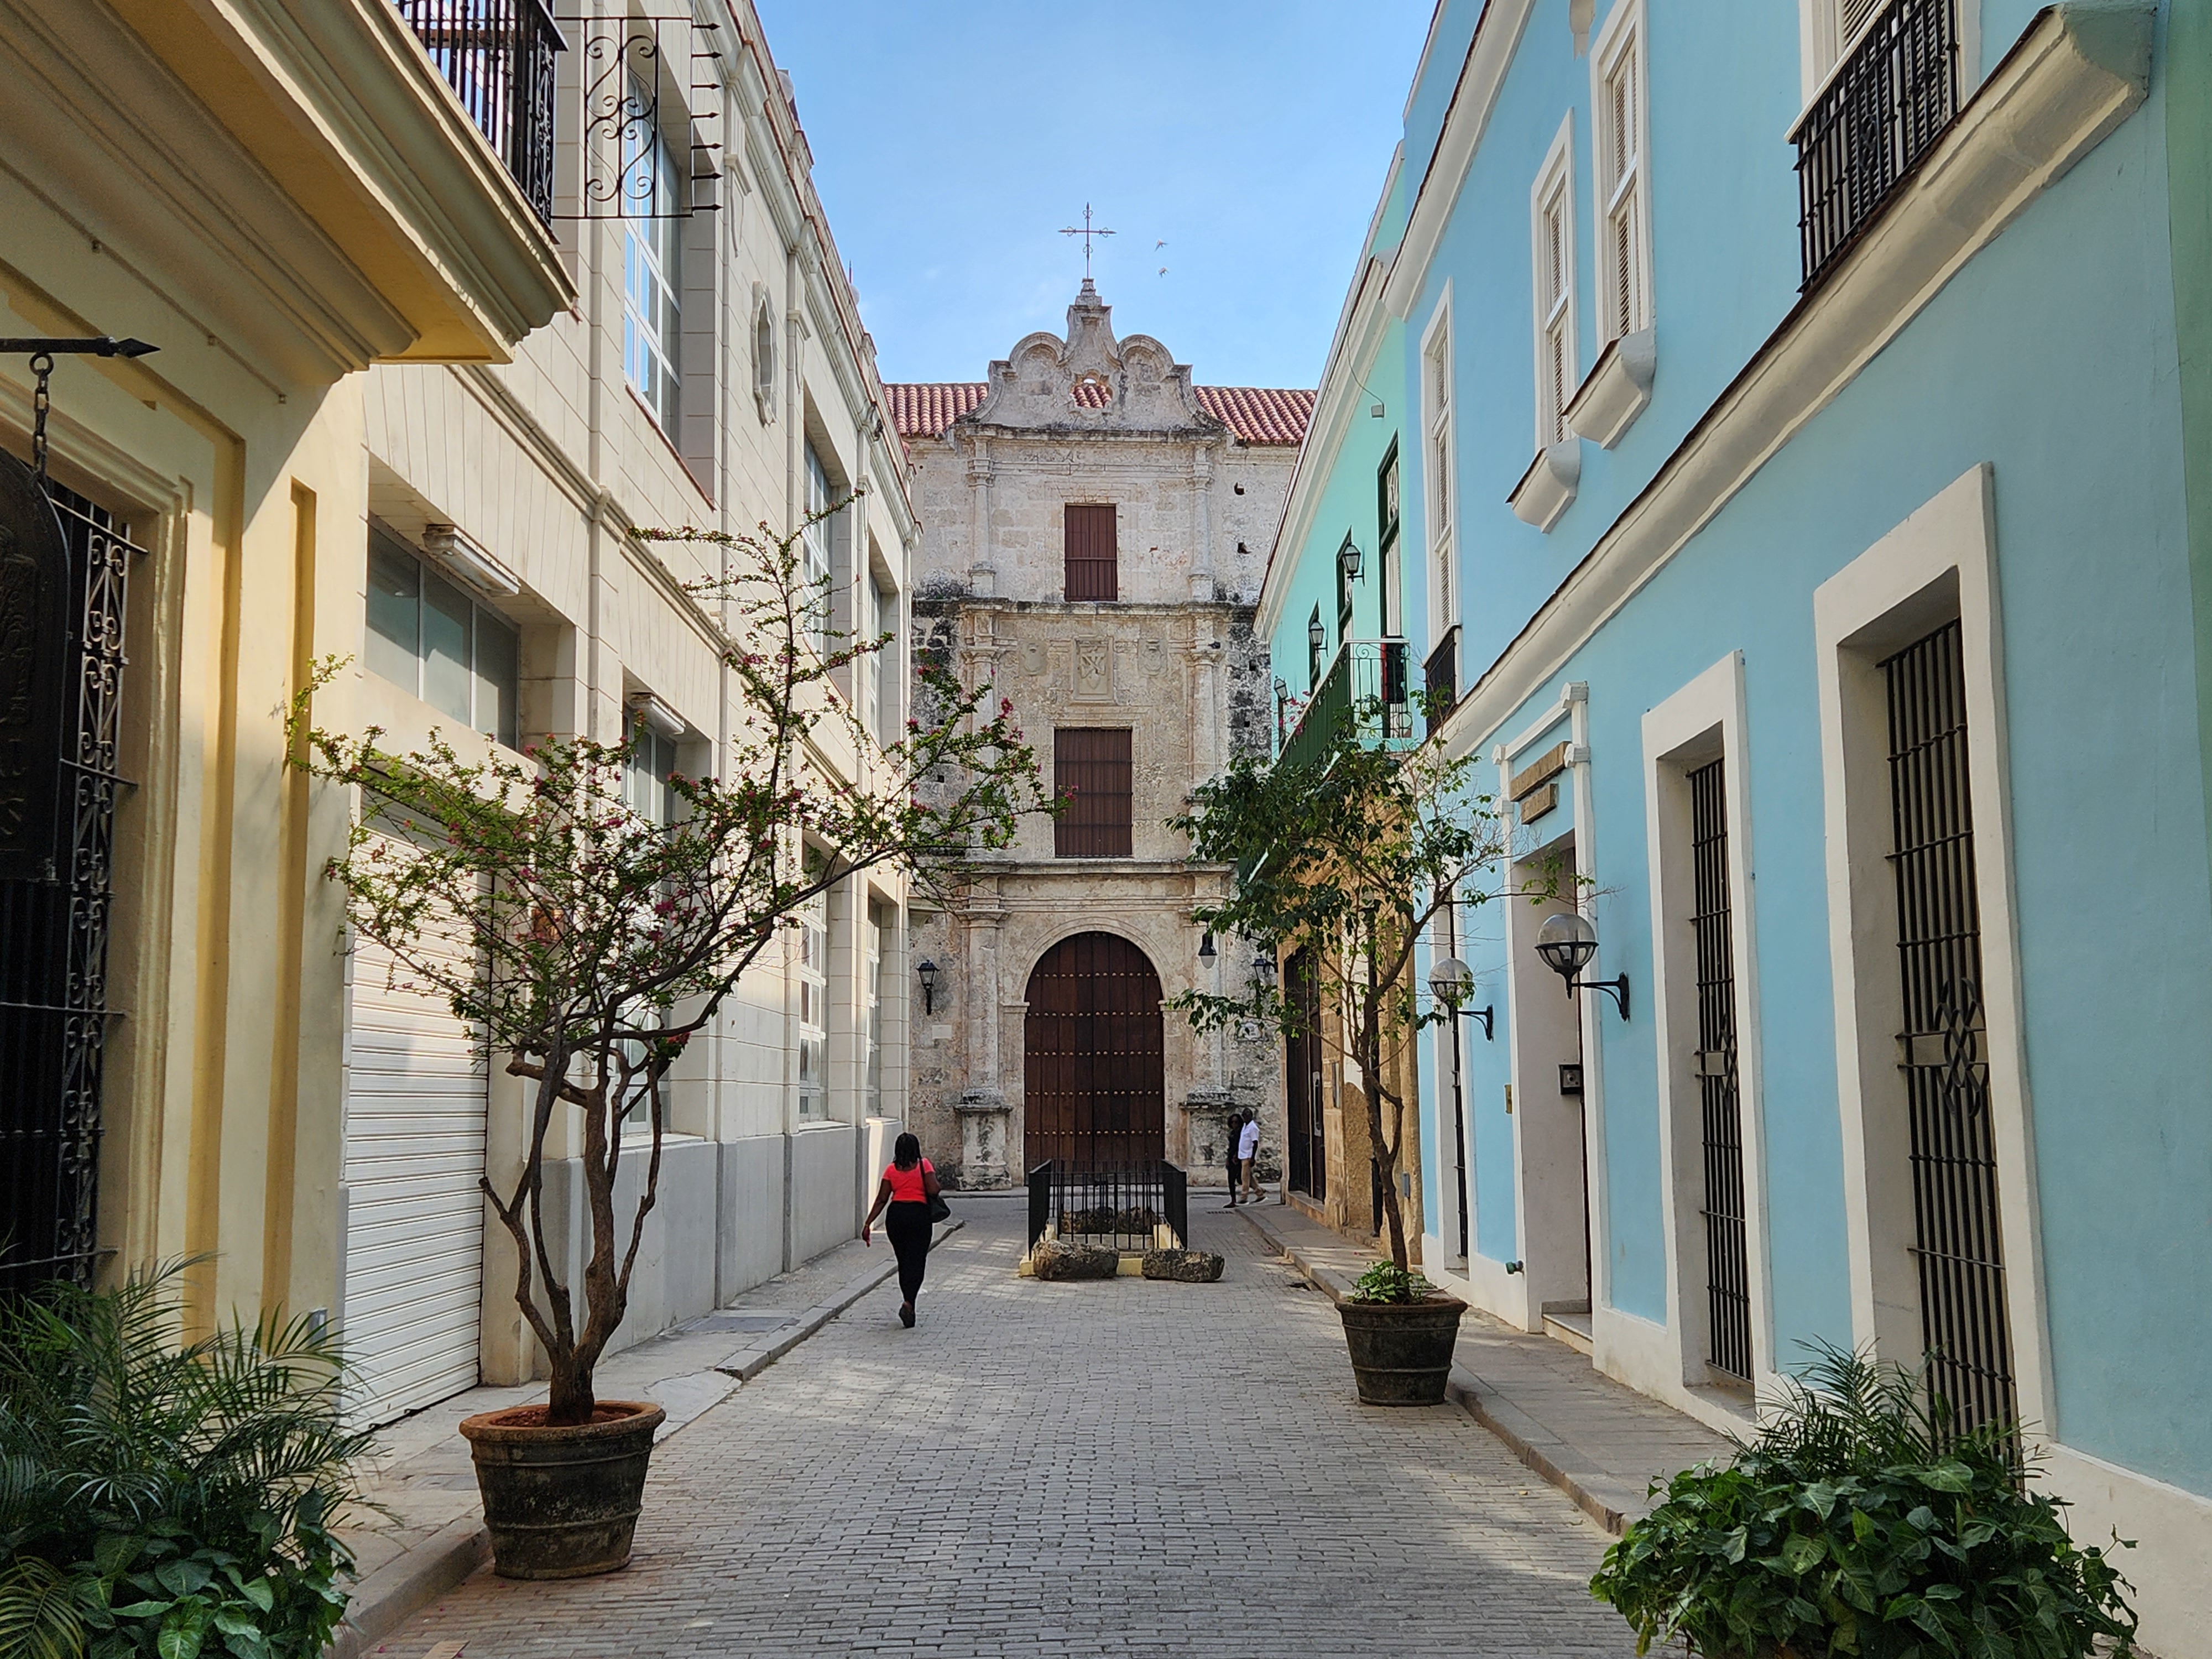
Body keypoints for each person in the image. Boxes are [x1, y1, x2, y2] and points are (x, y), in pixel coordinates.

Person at [863, 1132, 940, 1328]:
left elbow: (881, 1199)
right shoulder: (924, 1165)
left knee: (904, 1260)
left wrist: (868, 1224)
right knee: (918, 1260)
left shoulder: (890, 1171)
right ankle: (909, 1302)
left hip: (896, 1216)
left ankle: (908, 1302)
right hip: (919, 1216)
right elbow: (933, 1190)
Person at [1238, 1110, 1264, 1204]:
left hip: (1248, 1156)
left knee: (1244, 1177)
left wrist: (1253, 1157)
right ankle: (1260, 1193)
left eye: (1247, 1115)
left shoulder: (1253, 1128)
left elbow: (1255, 1143)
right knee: (1249, 1177)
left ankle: (1244, 1196)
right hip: (1243, 1155)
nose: (1245, 1117)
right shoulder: (1245, 1126)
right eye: (1244, 1115)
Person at [1221, 1110, 1244, 1208]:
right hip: (1232, 1157)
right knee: (1231, 1180)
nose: (1234, 1124)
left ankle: (1258, 1191)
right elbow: (1231, 1147)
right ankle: (1233, 1200)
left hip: (1239, 1157)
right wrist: (1228, 1158)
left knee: (1241, 1179)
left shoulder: (1241, 1133)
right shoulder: (1232, 1133)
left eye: (1236, 1122)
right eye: (1232, 1122)